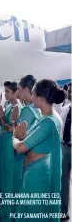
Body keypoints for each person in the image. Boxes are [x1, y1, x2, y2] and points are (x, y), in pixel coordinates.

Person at [12, 79, 65, 221]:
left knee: (34, 212)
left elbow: (21, 148)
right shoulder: (46, 118)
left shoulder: (48, 122)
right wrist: (22, 136)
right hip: (38, 170)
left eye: (33, 94)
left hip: (38, 173)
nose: (32, 97)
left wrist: (15, 137)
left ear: (41, 98)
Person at [0, 81, 22, 221]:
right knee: (2, 176)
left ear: (16, 92)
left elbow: (12, 129)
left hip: (10, 146)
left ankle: (7, 213)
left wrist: (1, 117)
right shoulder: (9, 106)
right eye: (5, 91)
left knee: (8, 178)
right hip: (3, 145)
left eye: (8, 91)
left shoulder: (17, 107)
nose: (5, 93)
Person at [11, 75, 40, 193]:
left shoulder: (27, 110)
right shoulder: (38, 109)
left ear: (27, 90)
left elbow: (19, 136)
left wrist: (13, 122)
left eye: (19, 89)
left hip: (24, 157)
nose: (17, 92)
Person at [60, 84, 71, 219]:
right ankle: (63, 210)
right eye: (70, 91)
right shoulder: (64, 109)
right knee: (64, 181)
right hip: (64, 148)